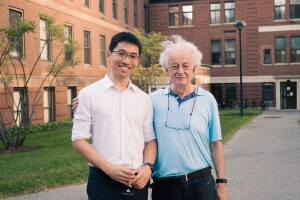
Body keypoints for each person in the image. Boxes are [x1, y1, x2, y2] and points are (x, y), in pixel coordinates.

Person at [71, 32, 157, 200]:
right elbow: (78, 140)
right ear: (109, 55)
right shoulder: (88, 94)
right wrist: (109, 168)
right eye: (121, 54)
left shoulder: (144, 99)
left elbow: (150, 140)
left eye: (133, 56)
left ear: (137, 61)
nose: (126, 61)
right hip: (103, 179)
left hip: (137, 180)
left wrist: (147, 168)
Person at [149, 35, 230, 200]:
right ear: (166, 69)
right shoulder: (152, 100)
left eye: (186, 65)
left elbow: (215, 144)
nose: (180, 71)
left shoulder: (208, 100)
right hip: (165, 186)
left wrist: (221, 184)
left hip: (201, 184)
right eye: (174, 66)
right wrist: (84, 105)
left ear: (194, 69)